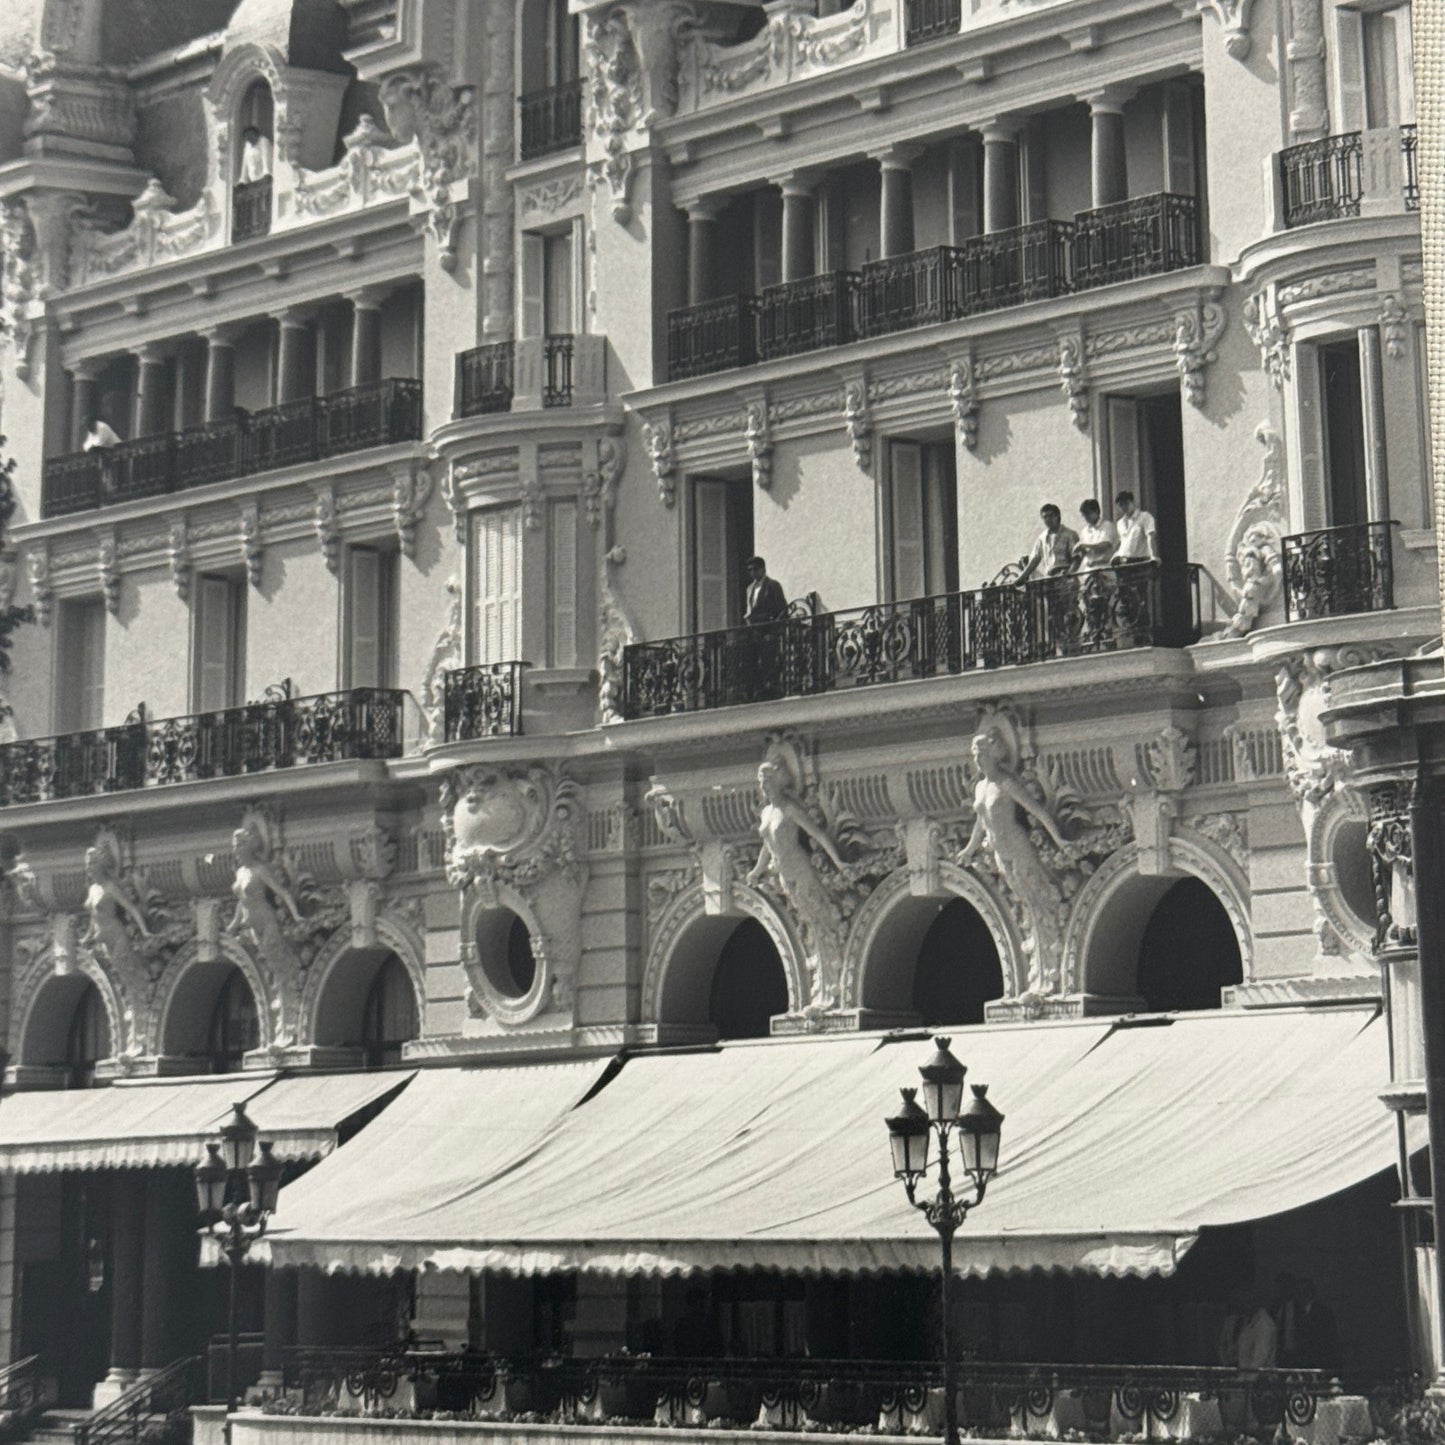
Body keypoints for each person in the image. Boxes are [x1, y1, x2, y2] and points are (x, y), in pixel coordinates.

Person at [1073, 499, 1120, 648]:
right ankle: (1093, 638)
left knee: (1108, 603)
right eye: (1084, 515)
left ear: (1096, 512)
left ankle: (1110, 638)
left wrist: (1084, 545)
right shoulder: (1085, 531)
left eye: (1088, 514)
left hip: (1104, 568)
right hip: (1089, 571)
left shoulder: (1107, 526)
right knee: (1090, 605)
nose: (1086, 518)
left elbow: (1106, 545)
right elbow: (1083, 553)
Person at [1014, 503, 1079, 583]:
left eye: (1051, 516)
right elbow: (1035, 560)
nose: (1048, 519)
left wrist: (1070, 573)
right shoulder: (1042, 538)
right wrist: (1020, 579)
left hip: (1066, 580)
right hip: (1049, 580)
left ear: (1057, 516)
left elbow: (1077, 558)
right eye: (1045, 517)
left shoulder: (1070, 534)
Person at [1294, 1277, 1339, 1369]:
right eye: (1298, 1291)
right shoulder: (1295, 1312)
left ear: (1310, 1292)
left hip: (1320, 1362)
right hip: (1303, 1362)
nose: (1300, 1295)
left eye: (1304, 1291)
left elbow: (1327, 1341)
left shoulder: (1323, 1313)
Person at [672, 1286, 725, 1358]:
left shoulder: (683, 1322)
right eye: (705, 1300)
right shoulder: (708, 1322)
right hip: (700, 1361)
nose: (707, 1303)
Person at [1112, 491, 1159, 565]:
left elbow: (1150, 537)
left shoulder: (1145, 517)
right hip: (1124, 563)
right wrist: (1116, 554)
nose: (1124, 507)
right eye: (1121, 505)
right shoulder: (1120, 523)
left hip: (1141, 561)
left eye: (1126, 503)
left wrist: (1153, 556)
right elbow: (1123, 542)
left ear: (1133, 502)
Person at [743, 556, 787, 626]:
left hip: (769, 628)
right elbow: (750, 610)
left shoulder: (773, 585)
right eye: (750, 570)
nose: (753, 572)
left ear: (763, 569)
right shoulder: (750, 588)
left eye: (755, 569)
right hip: (754, 628)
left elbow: (782, 609)